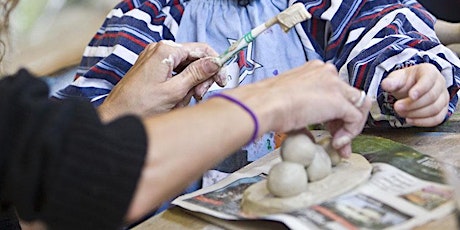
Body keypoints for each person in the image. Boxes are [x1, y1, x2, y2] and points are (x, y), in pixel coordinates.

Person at [0, 0, 371, 229]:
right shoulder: (146, 15)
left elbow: (40, 181)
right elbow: (78, 178)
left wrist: (118, 111)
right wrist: (271, 100)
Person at [53, 0, 460, 198]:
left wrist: (410, 84)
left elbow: (381, 34)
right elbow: (71, 134)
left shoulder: (320, 6)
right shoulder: (144, 18)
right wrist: (117, 112)